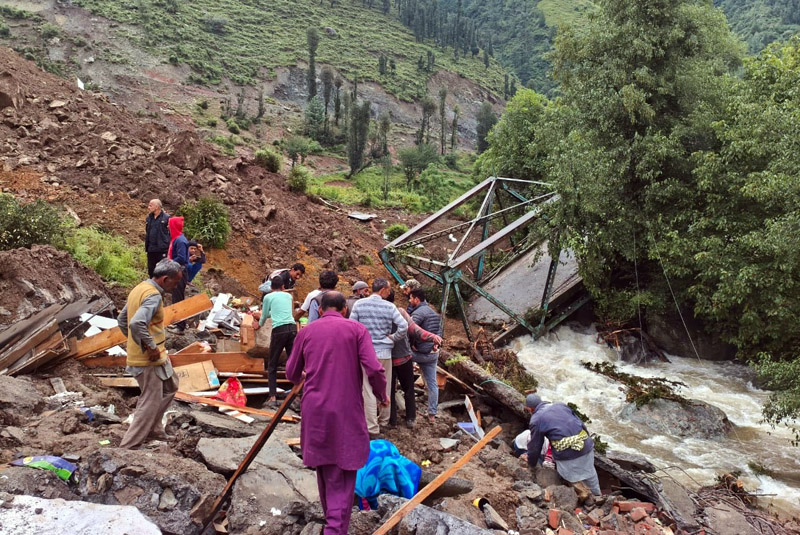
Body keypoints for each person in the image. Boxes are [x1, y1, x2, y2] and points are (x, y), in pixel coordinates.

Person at [286, 291, 389, 535]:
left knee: (326, 469)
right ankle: (334, 528)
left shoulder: (306, 332)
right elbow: (374, 368)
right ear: (344, 309)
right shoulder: (356, 330)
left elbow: (291, 372)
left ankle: (335, 525)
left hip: (315, 409)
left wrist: (304, 375)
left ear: (320, 310)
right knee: (344, 469)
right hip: (346, 409)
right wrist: (381, 394)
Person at [117, 259, 183, 449]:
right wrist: (149, 346)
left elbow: (122, 320)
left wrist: (135, 342)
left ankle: (154, 428)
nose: (176, 286)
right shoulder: (153, 296)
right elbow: (136, 323)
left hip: (157, 355)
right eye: (175, 282)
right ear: (164, 279)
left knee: (171, 385)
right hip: (149, 358)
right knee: (150, 400)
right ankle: (129, 446)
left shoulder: (140, 288)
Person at [350, 278, 407, 436]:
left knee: (367, 389)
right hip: (384, 352)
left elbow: (352, 326)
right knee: (386, 386)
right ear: (383, 290)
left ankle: (371, 426)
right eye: (388, 290)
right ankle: (384, 421)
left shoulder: (359, 305)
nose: (389, 293)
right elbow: (404, 326)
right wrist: (393, 338)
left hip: (365, 352)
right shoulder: (389, 306)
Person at [384, 289, 442, 429]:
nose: (409, 300)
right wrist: (433, 338)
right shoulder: (403, 312)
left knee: (390, 389)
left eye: (410, 298)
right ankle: (414, 417)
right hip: (406, 357)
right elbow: (415, 330)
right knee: (410, 388)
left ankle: (392, 420)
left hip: (388, 358)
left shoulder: (377, 314)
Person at [525, 393, 601, 498]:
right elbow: (581, 424)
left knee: (570, 479)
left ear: (531, 409)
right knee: (590, 474)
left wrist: (532, 463)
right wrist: (586, 441)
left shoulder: (536, 419)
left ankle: (581, 500)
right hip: (585, 444)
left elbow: (535, 446)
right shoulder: (560, 405)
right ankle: (598, 497)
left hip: (568, 454)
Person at [256, 275, 296, 408]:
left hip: (279, 330)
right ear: (283, 287)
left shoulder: (268, 297)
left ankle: (272, 396)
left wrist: (258, 324)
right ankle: (297, 393)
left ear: (271, 287)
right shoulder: (288, 296)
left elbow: (265, 314)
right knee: (293, 362)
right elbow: (276, 311)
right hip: (292, 328)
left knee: (272, 365)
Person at [407, 288, 443, 422]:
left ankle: (406, 407)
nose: (409, 301)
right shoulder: (434, 313)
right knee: (432, 384)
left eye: (411, 298)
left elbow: (410, 330)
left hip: (418, 353)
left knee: (400, 364)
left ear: (417, 299)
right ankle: (432, 414)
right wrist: (435, 345)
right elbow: (439, 333)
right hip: (432, 354)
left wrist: (412, 345)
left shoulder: (418, 313)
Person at [166, 216, 189, 334]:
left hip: (179, 272)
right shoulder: (176, 239)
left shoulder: (180, 241)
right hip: (176, 271)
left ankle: (180, 327)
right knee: (175, 297)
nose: (168, 228)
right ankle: (176, 322)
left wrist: (169, 262)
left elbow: (182, 257)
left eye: (170, 225)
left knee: (179, 299)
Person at [144, 199, 170, 278]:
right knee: (151, 269)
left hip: (162, 249)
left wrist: (166, 244)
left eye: (150, 206)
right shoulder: (149, 218)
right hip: (151, 249)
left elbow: (170, 233)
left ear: (157, 207)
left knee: (162, 270)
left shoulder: (167, 218)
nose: (148, 207)